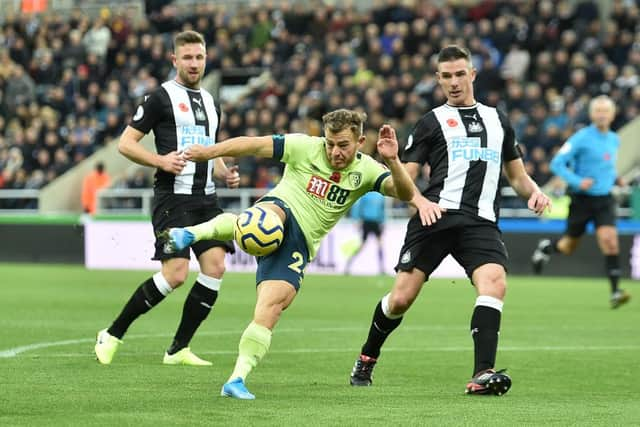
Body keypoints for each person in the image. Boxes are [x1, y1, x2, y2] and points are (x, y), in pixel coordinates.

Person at [164, 109, 417, 399]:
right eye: (329, 143)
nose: (334, 151)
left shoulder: (368, 170)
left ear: (360, 141)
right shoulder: (304, 147)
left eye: (343, 145)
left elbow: (405, 193)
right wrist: (209, 153)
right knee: (264, 220)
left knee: (270, 309)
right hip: (280, 208)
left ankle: (236, 379)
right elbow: (253, 144)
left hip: (300, 243)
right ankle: (192, 233)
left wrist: (394, 161)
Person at [349, 45, 552, 396]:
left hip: (481, 222)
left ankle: (482, 374)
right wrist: (411, 188)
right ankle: (367, 357)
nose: (454, 82)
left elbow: (517, 176)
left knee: (494, 283)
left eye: (460, 74)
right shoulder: (430, 122)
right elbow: (403, 181)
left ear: (472, 74)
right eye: (447, 76)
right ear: (438, 79)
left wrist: (534, 192)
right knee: (400, 300)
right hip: (436, 217)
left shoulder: (498, 120)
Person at [94, 30, 240, 366]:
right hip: (173, 200)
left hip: (207, 200)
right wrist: (160, 161)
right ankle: (112, 333)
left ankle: (178, 349)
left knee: (215, 268)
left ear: (206, 59)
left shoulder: (211, 102)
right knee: (176, 274)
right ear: (174, 59)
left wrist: (223, 171)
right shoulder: (159, 98)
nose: (193, 63)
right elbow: (125, 144)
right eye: (187, 57)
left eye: (199, 57)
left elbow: (209, 147)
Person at [531, 95, 631, 309]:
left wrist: (616, 178)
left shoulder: (614, 139)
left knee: (609, 240)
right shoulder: (581, 138)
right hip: (581, 200)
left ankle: (615, 291)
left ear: (613, 115)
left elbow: (607, 165)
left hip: (604, 199)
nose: (602, 114)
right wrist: (578, 181)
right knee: (568, 247)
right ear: (592, 114)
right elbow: (557, 164)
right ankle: (547, 247)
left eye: (606, 111)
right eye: (598, 111)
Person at [344, 190, 386, 275]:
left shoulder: (380, 195)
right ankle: (348, 264)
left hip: (376, 222)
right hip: (366, 221)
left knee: (380, 245)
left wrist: (383, 221)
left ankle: (382, 268)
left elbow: (382, 209)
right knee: (362, 246)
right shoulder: (366, 194)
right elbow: (358, 207)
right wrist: (356, 219)